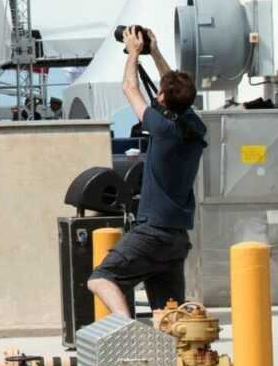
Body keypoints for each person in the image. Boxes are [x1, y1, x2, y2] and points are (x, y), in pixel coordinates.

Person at [88, 25, 205, 318]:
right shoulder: (195, 127)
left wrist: (133, 53)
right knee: (167, 316)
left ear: (162, 98)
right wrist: (155, 52)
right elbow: (177, 91)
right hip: (177, 239)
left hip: (152, 233)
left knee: (101, 279)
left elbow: (130, 88)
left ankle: (125, 326)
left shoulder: (162, 128)